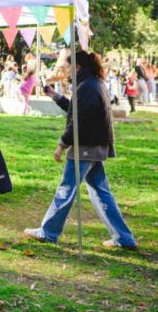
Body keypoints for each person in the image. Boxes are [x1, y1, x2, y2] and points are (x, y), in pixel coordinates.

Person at [26, 50, 137, 249]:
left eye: (68, 67)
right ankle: (124, 238)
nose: (66, 72)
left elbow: (79, 120)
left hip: (86, 145)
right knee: (100, 192)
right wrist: (54, 96)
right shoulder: (93, 83)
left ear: (77, 67)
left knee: (67, 188)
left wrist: (62, 144)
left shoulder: (86, 87)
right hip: (95, 145)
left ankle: (48, 232)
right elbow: (76, 109)